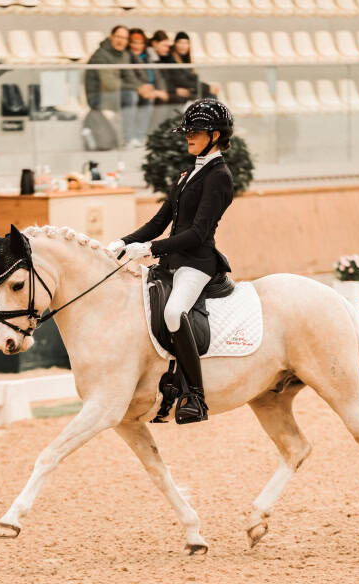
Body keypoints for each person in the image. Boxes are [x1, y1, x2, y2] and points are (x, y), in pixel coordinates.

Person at [106, 99, 235, 424]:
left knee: (174, 312)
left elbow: (197, 233)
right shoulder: (189, 172)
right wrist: (123, 242)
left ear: (215, 135)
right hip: (172, 260)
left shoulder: (219, 176)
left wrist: (151, 248)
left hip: (197, 262)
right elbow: (159, 220)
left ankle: (195, 395)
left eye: (195, 132)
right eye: (187, 131)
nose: (188, 137)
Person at [84, 25, 142, 149]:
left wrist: (140, 88)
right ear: (111, 37)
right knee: (130, 96)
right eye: (118, 37)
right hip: (97, 96)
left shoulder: (124, 55)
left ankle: (140, 136)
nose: (121, 41)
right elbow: (109, 84)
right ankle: (128, 138)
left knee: (146, 97)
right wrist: (135, 88)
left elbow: (130, 77)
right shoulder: (101, 55)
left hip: (114, 93)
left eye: (124, 38)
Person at [128, 28, 169, 146]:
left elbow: (158, 75)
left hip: (152, 88)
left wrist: (161, 91)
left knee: (165, 99)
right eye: (134, 42)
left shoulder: (148, 54)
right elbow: (131, 77)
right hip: (140, 89)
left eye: (140, 42)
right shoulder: (128, 56)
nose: (137, 45)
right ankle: (140, 136)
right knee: (148, 99)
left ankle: (155, 135)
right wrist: (143, 88)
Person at [159, 31, 220, 105]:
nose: (183, 46)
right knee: (209, 96)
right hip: (177, 90)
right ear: (175, 44)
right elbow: (181, 80)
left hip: (187, 89)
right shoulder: (170, 59)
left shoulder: (185, 59)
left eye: (186, 43)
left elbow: (192, 79)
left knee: (210, 96)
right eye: (180, 42)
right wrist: (207, 87)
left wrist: (207, 87)